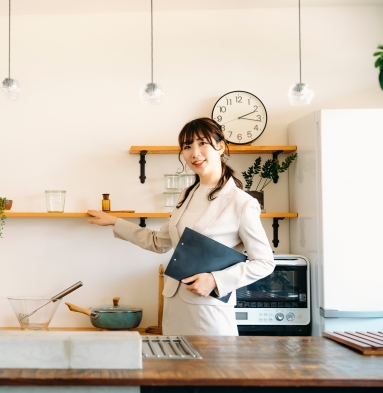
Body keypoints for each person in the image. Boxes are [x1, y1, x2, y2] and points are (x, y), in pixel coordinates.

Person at [87, 117, 275, 335]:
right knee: (176, 367)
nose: (194, 153)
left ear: (220, 146)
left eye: (202, 143)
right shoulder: (186, 195)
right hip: (174, 308)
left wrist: (215, 279)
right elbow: (159, 242)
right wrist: (115, 222)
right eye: (187, 146)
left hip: (210, 311)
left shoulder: (242, 203)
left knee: (213, 370)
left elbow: (264, 262)